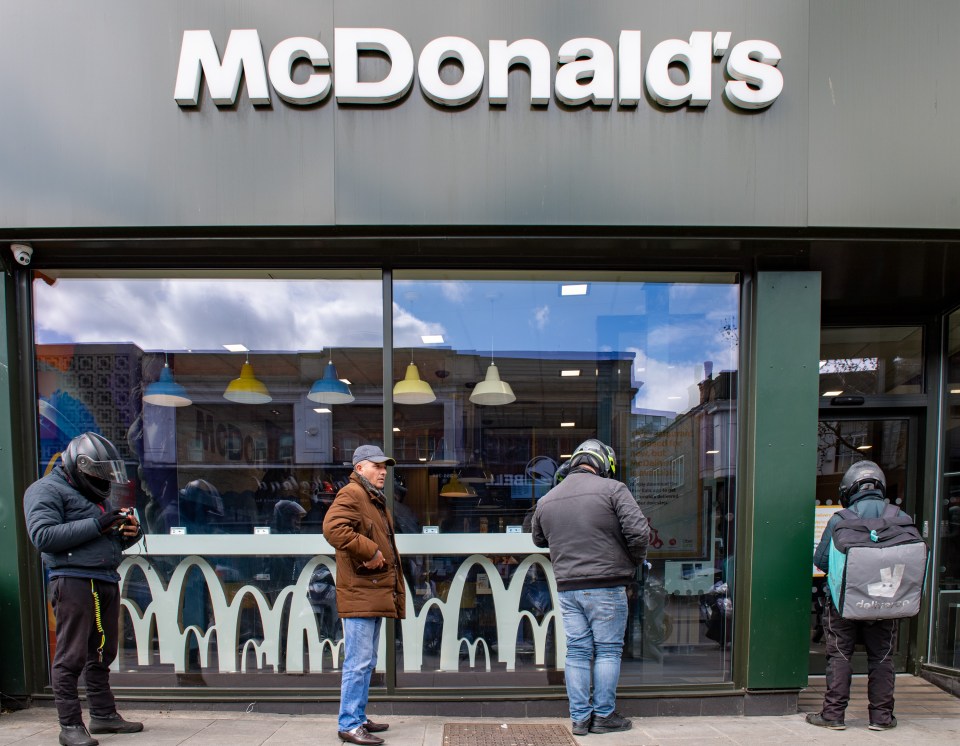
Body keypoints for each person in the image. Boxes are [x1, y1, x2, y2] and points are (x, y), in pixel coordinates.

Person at [23, 432, 145, 746]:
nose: (102, 482)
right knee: (70, 656)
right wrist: (100, 524)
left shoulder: (89, 494)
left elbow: (101, 539)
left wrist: (127, 534)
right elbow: (43, 536)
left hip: (103, 578)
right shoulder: (45, 490)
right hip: (73, 582)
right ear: (80, 466)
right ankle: (70, 726)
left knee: (103, 652)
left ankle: (103, 715)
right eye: (96, 475)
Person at [531, 438, 650, 736]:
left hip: (568, 586)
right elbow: (638, 532)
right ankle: (604, 716)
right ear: (602, 463)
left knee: (577, 652)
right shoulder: (614, 489)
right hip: (607, 584)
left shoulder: (547, 499)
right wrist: (633, 562)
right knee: (608, 650)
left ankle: (580, 719)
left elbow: (537, 538)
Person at [807, 460, 902, 732]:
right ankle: (882, 718)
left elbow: (821, 560)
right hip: (885, 600)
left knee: (839, 655)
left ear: (849, 490)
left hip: (843, 601)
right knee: (882, 657)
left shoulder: (841, 519)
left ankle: (833, 715)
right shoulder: (898, 516)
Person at [323, 445, 405, 746]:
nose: (383, 471)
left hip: (370, 591)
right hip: (360, 592)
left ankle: (357, 715)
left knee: (366, 661)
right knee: (358, 661)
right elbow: (333, 529)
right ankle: (349, 723)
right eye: (377, 466)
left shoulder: (371, 497)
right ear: (359, 468)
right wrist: (370, 550)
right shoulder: (352, 494)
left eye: (385, 467)